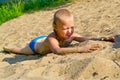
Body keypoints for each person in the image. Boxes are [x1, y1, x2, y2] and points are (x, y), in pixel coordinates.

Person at [3, 9, 115, 55]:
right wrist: (80, 49)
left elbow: (87, 39)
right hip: (36, 46)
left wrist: (102, 39)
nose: (69, 31)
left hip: (44, 39)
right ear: (55, 27)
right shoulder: (52, 38)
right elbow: (57, 50)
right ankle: (8, 48)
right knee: (20, 50)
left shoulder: (72, 35)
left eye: (72, 27)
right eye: (65, 29)